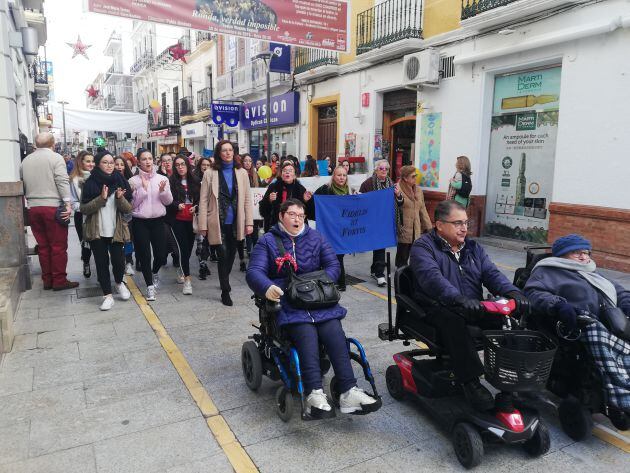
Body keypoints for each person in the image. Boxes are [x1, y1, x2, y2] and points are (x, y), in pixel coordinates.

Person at [246, 199, 379, 415]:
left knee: (335, 333)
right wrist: (267, 286)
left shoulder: (316, 237)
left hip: (318, 301)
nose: (297, 219)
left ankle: (348, 391)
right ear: (281, 216)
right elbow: (254, 272)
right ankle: (314, 393)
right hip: (288, 303)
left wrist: (319, 284)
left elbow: (333, 265)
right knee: (306, 335)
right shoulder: (268, 241)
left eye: (301, 215)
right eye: (292, 214)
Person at [409, 200, 529, 411]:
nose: (464, 228)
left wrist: (513, 293)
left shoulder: (473, 248)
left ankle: (509, 383)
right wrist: (458, 298)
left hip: (472, 305)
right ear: (439, 225)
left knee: (508, 323)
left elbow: (492, 274)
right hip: (437, 306)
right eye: (457, 223)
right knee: (454, 322)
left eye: (466, 222)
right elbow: (432, 279)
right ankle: (471, 382)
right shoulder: (423, 247)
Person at [524, 234, 630, 414]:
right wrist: (558, 304)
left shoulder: (591, 271)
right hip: (577, 323)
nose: (584, 257)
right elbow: (534, 293)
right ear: (562, 255)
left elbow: (617, 290)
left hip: (609, 321)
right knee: (605, 347)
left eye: (586, 252)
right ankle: (621, 396)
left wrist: (627, 303)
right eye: (576, 253)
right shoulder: (548, 271)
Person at [198, 140, 254, 306]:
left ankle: (224, 279)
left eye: (230, 150)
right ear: (219, 153)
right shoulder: (210, 173)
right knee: (223, 255)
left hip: (237, 221)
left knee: (231, 256)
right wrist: (202, 224)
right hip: (217, 221)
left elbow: (247, 199)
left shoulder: (242, 172)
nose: (228, 153)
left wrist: (249, 222)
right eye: (224, 150)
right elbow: (203, 200)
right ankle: (225, 290)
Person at [21, 133, 78, 291]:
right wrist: (67, 203)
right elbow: (61, 180)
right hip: (52, 207)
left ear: (36, 144)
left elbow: (22, 185)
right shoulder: (55, 158)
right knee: (58, 246)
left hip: (33, 207)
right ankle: (59, 280)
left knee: (44, 246)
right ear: (52, 144)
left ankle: (47, 280)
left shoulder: (25, 161)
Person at [80, 151, 133, 310]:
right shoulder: (90, 183)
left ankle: (119, 283)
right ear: (98, 164)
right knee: (101, 263)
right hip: (97, 231)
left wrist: (119, 198)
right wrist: (101, 199)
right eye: (105, 162)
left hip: (116, 230)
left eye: (111, 162)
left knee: (118, 262)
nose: (109, 165)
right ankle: (107, 295)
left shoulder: (120, 181)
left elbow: (128, 208)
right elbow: (84, 209)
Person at [128, 148, 173, 301]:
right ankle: (149, 286)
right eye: (144, 159)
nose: (148, 161)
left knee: (161, 255)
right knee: (145, 255)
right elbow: (131, 206)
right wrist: (143, 190)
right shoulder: (133, 181)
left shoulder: (163, 179)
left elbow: (169, 202)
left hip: (158, 221)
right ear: (139, 162)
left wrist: (162, 192)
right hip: (140, 222)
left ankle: (155, 272)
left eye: (149, 158)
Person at [359, 159, 403, 287]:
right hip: (373, 220)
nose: (384, 171)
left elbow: (400, 202)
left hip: (386, 221)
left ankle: (377, 272)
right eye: (381, 168)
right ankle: (378, 272)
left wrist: (398, 194)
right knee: (379, 245)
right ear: (376, 170)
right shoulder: (368, 183)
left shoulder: (392, 184)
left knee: (380, 246)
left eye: (386, 169)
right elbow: (361, 201)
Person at [309, 166, 351, 291]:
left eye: (344, 175)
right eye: (339, 175)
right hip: (327, 229)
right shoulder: (325, 189)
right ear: (333, 176)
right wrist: (309, 199)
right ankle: (331, 281)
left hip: (342, 231)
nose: (342, 178)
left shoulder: (349, 191)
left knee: (339, 256)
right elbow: (314, 206)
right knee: (328, 255)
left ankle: (340, 282)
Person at [167, 155, 200, 295]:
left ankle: (182, 268)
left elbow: (201, 201)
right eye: (177, 165)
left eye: (183, 164)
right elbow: (167, 201)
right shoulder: (171, 181)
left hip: (191, 220)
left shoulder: (196, 181)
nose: (180, 167)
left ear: (188, 165)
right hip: (177, 220)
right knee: (183, 249)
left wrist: (196, 207)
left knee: (188, 249)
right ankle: (187, 279)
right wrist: (176, 205)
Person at [259, 161, 312, 232]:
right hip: (277, 227)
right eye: (284, 171)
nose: (287, 172)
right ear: (281, 174)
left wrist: (306, 201)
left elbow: (308, 213)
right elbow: (263, 211)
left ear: (294, 175)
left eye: (290, 171)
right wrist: (269, 200)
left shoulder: (300, 188)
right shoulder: (273, 187)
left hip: (296, 228)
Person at [396, 165, 432, 268]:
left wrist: (428, 226)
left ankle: (411, 268)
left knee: (414, 248)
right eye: (413, 176)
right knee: (403, 249)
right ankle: (401, 268)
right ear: (405, 178)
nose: (415, 178)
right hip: (403, 225)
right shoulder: (398, 189)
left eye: (415, 176)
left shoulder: (419, 191)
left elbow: (423, 209)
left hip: (415, 225)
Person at [69, 151, 95, 278]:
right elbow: (73, 202)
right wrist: (85, 207)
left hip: (97, 214)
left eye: (92, 161)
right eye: (88, 161)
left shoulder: (97, 176)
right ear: (81, 162)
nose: (91, 164)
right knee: (85, 242)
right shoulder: (74, 180)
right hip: (82, 216)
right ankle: (86, 262)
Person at [114, 156, 136, 275]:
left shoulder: (131, 180)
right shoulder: (110, 179)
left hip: (128, 216)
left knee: (128, 240)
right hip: (114, 216)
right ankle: (119, 264)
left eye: (121, 164)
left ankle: (128, 262)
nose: (119, 167)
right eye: (116, 164)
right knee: (117, 242)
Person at [193, 157, 213, 280]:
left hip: (211, 213)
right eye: (203, 165)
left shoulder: (214, 178)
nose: (205, 167)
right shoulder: (195, 180)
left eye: (208, 165)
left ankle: (204, 262)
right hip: (199, 212)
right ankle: (202, 266)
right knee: (200, 241)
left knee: (208, 241)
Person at [242, 153, 261, 257]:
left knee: (255, 229)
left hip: (254, 205)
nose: (248, 163)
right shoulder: (239, 173)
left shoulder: (255, 174)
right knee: (247, 227)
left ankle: (256, 248)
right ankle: (249, 250)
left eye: (249, 161)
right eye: (245, 161)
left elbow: (260, 188)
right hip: (244, 205)